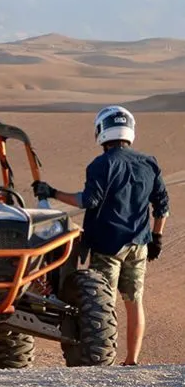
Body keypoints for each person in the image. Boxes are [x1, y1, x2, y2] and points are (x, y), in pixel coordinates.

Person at [32, 105, 170, 366]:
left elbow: (87, 200)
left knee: (101, 303)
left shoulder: (101, 164)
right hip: (139, 243)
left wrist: (52, 192)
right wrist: (157, 237)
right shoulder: (149, 162)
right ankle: (131, 360)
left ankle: (102, 360)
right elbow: (162, 204)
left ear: (102, 131)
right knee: (134, 302)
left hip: (107, 246)